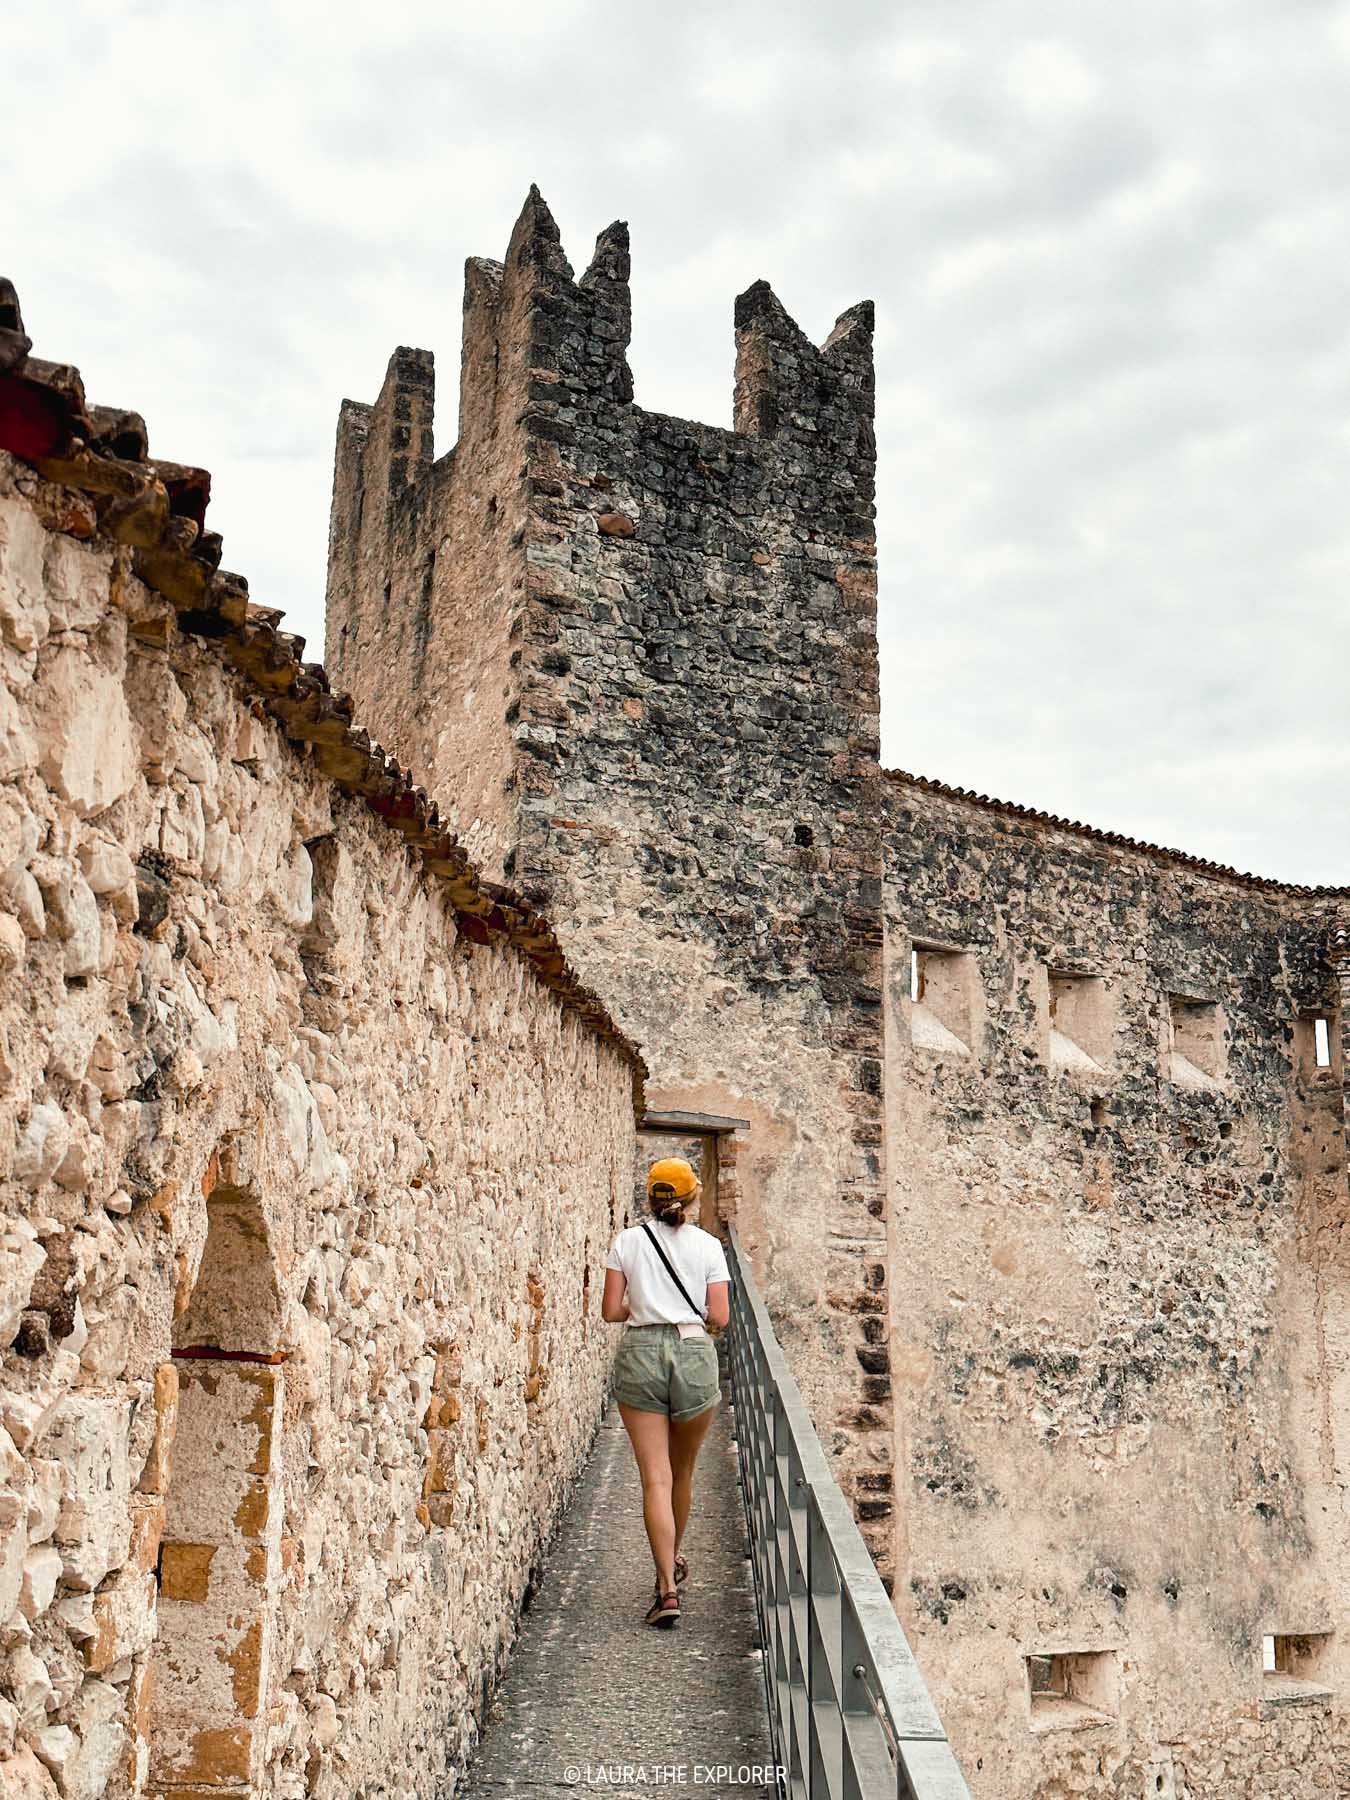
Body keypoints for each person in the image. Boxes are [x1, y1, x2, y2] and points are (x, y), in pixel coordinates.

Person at [601, 1156, 731, 1629]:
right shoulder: (709, 1247)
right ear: (693, 1197)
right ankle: (673, 1556)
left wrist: (645, 1303)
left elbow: (611, 1311)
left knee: (654, 1478)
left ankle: (665, 1588)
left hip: (639, 1352)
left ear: (650, 1196)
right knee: (683, 1473)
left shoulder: (628, 1242)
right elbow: (720, 1317)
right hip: (692, 1350)